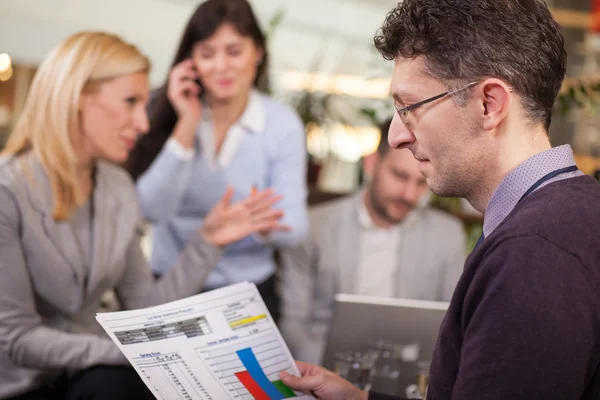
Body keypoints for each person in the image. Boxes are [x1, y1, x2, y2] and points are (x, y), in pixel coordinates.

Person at [278, 0, 600, 399]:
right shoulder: (569, 217)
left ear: (489, 104)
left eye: (409, 108)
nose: (396, 136)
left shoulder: (532, 253)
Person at [0, 31, 287, 400]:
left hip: (82, 377)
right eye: (131, 101)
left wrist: (207, 242)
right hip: (19, 385)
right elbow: (18, 339)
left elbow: (145, 309)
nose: (143, 123)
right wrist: (126, 354)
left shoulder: (117, 188)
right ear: (76, 98)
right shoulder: (8, 191)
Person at [125, 0, 308, 321]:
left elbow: (293, 227)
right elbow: (149, 211)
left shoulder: (282, 123)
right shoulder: (160, 110)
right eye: (207, 54)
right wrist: (186, 125)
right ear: (190, 61)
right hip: (170, 285)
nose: (221, 66)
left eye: (234, 51)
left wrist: (237, 226)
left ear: (258, 52)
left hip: (247, 292)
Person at [278, 118, 466, 364]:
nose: (409, 195)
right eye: (399, 176)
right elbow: (294, 325)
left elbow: (451, 326)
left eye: (421, 183)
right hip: (323, 364)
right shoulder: (313, 227)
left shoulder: (448, 236)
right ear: (371, 164)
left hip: (407, 370)